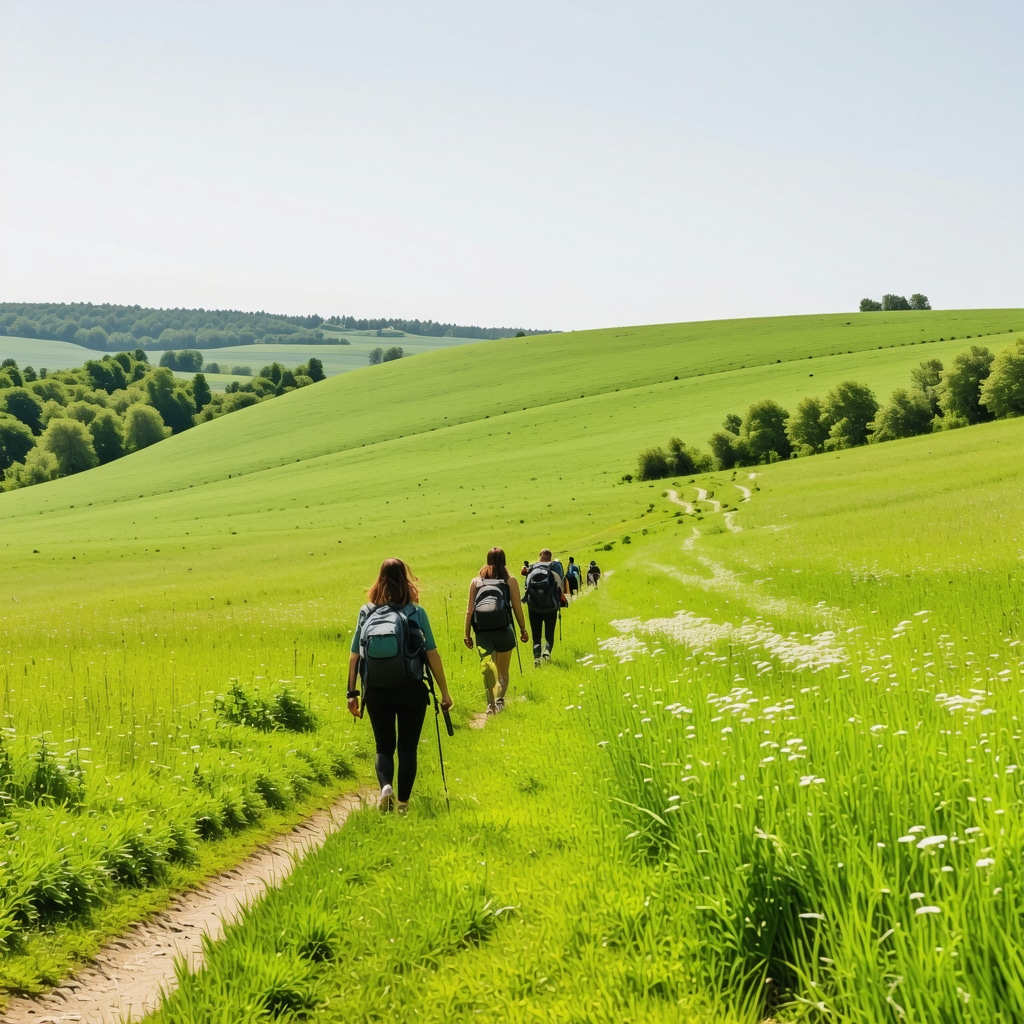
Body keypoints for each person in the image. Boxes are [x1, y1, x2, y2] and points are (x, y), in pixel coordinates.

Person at [347, 558, 453, 815]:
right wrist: (444, 691)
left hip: (377, 691)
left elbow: (354, 657)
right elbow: (432, 654)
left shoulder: (367, 611)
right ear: (407, 580)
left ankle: (385, 788)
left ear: (379, 580)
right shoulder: (416, 613)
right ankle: (403, 805)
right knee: (407, 748)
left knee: (384, 747)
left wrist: (352, 694)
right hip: (411, 689)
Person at [463, 547, 528, 715]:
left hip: (483, 634)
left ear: (487, 560)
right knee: (503, 671)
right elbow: (517, 608)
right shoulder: (510, 581)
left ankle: (490, 705)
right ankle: (499, 701)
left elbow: (469, 611)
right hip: (504, 631)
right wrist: (522, 629)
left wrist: (467, 634)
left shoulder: (476, 582)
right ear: (504, 561)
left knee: (488, 670)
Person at [523, 548, 564, 666]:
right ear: (550, 557)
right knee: (549, 633)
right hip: (551, 607)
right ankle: (547, 652)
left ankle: (536, 658)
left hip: (533, 607)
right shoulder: (554, 569)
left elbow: (526, 588)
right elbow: (560, 589)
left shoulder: (532, 569)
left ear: (539, 556)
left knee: (536, 635)